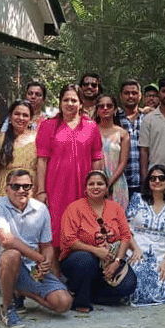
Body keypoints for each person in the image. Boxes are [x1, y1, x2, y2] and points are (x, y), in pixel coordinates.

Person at [0, 169, 72, 328]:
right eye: (16, 186)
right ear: (7, 188)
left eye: (26, 186)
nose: (21, 190)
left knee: (63, 303)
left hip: (30, 268)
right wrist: (39, 258)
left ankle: (18, 292)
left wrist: (46, 262)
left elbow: (46, 245)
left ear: (33, 188)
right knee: (12, 255)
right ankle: (8, 307)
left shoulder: (41, 209)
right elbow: (6, 240)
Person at [35, 84, 104, 258]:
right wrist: (41, 190)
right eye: (66, 100)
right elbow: (42, 160)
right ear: (60, 103)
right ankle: (54, 271)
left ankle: (76, 270)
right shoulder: (48, 126)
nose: (70, 103)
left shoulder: (91, 127)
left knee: (82, 226)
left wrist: (97, 188)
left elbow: (97, 159)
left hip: (83, 186)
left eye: (74, 100)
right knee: (54, 226)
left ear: (81, 104)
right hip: (55, 186)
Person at [59, 170, 137, 313]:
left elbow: (126, 236)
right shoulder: (74, 208)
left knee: (128, 286)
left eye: (100, 184)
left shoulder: (115, 208)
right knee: (86, 260)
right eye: (91, 184)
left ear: (106, 188)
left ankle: (88, 293)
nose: (96, 187)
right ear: (86, 188)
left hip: (110, 260)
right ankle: (81, 301)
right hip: (79, 259)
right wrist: (96, 251)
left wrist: (117, 262)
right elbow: (68, 240)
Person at [126, 165, 165, 306]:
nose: (157, 181)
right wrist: (135, 249)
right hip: (136, 247)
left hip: (161, 251)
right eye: (153, 178)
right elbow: (125, 227)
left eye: (161, 178)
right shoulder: (137, 199)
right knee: (138, 279)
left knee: (159, 291)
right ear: (148, 182)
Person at [0, 100, 38, 196]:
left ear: (31, 119)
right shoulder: (0, 139)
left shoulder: (37, 139)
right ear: (10, 116)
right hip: (5, 190)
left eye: (25, 115)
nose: (21, 118)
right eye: (17, 114)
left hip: (28, 190)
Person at [96, 94, 131, 210]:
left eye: (109, 106)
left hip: (116, 182)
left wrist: (109, 183)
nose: (105, 108)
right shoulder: (91, 131)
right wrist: (99, 183)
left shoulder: (123, 134)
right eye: (101, 106)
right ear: (97, 110)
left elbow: (123, 163)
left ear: (115, 109)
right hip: (94, 183)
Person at [116, 79, 144, 198]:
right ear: (121, 96)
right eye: (126, 93)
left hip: (144, 182)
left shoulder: (148, 118)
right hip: (120, 182)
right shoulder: (114, 118)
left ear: (140, 95)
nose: (130, 96)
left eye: (134, 93)